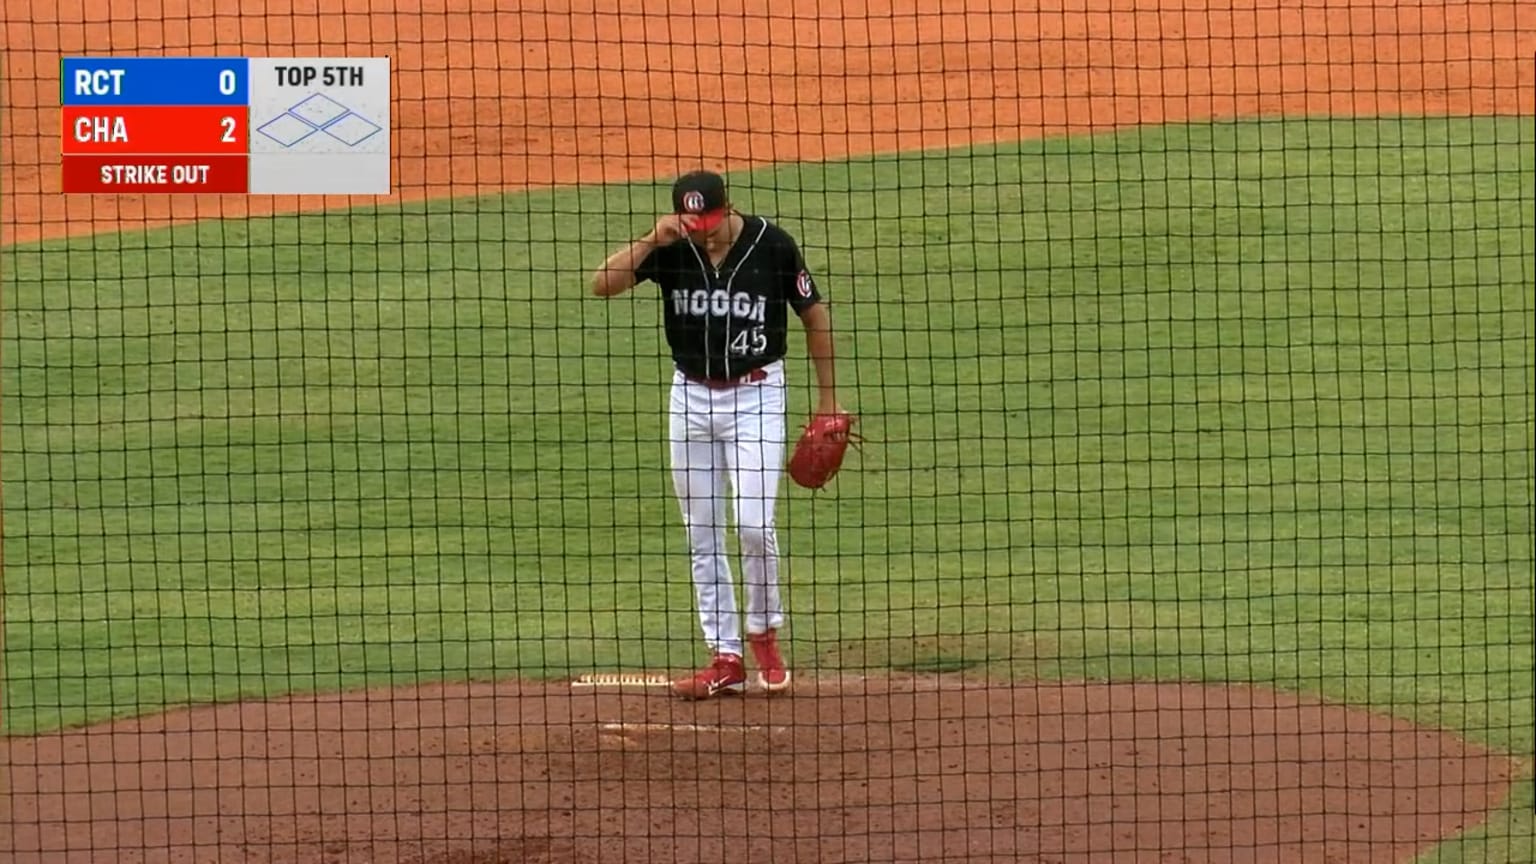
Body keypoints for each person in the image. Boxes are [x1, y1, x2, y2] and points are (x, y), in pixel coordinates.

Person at [590, 169, 846, 700]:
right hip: (690, 398)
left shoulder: (772, 245)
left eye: (709, 220)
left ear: (728, 207)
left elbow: (815, 317)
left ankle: (764, 635)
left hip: (757, 395)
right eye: (693, 221)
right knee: (701, 529)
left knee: (753, 525)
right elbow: (602, 285)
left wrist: (828, 401)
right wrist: (649, 240)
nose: (703, 230)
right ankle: (724, 655)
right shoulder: (672, 246)